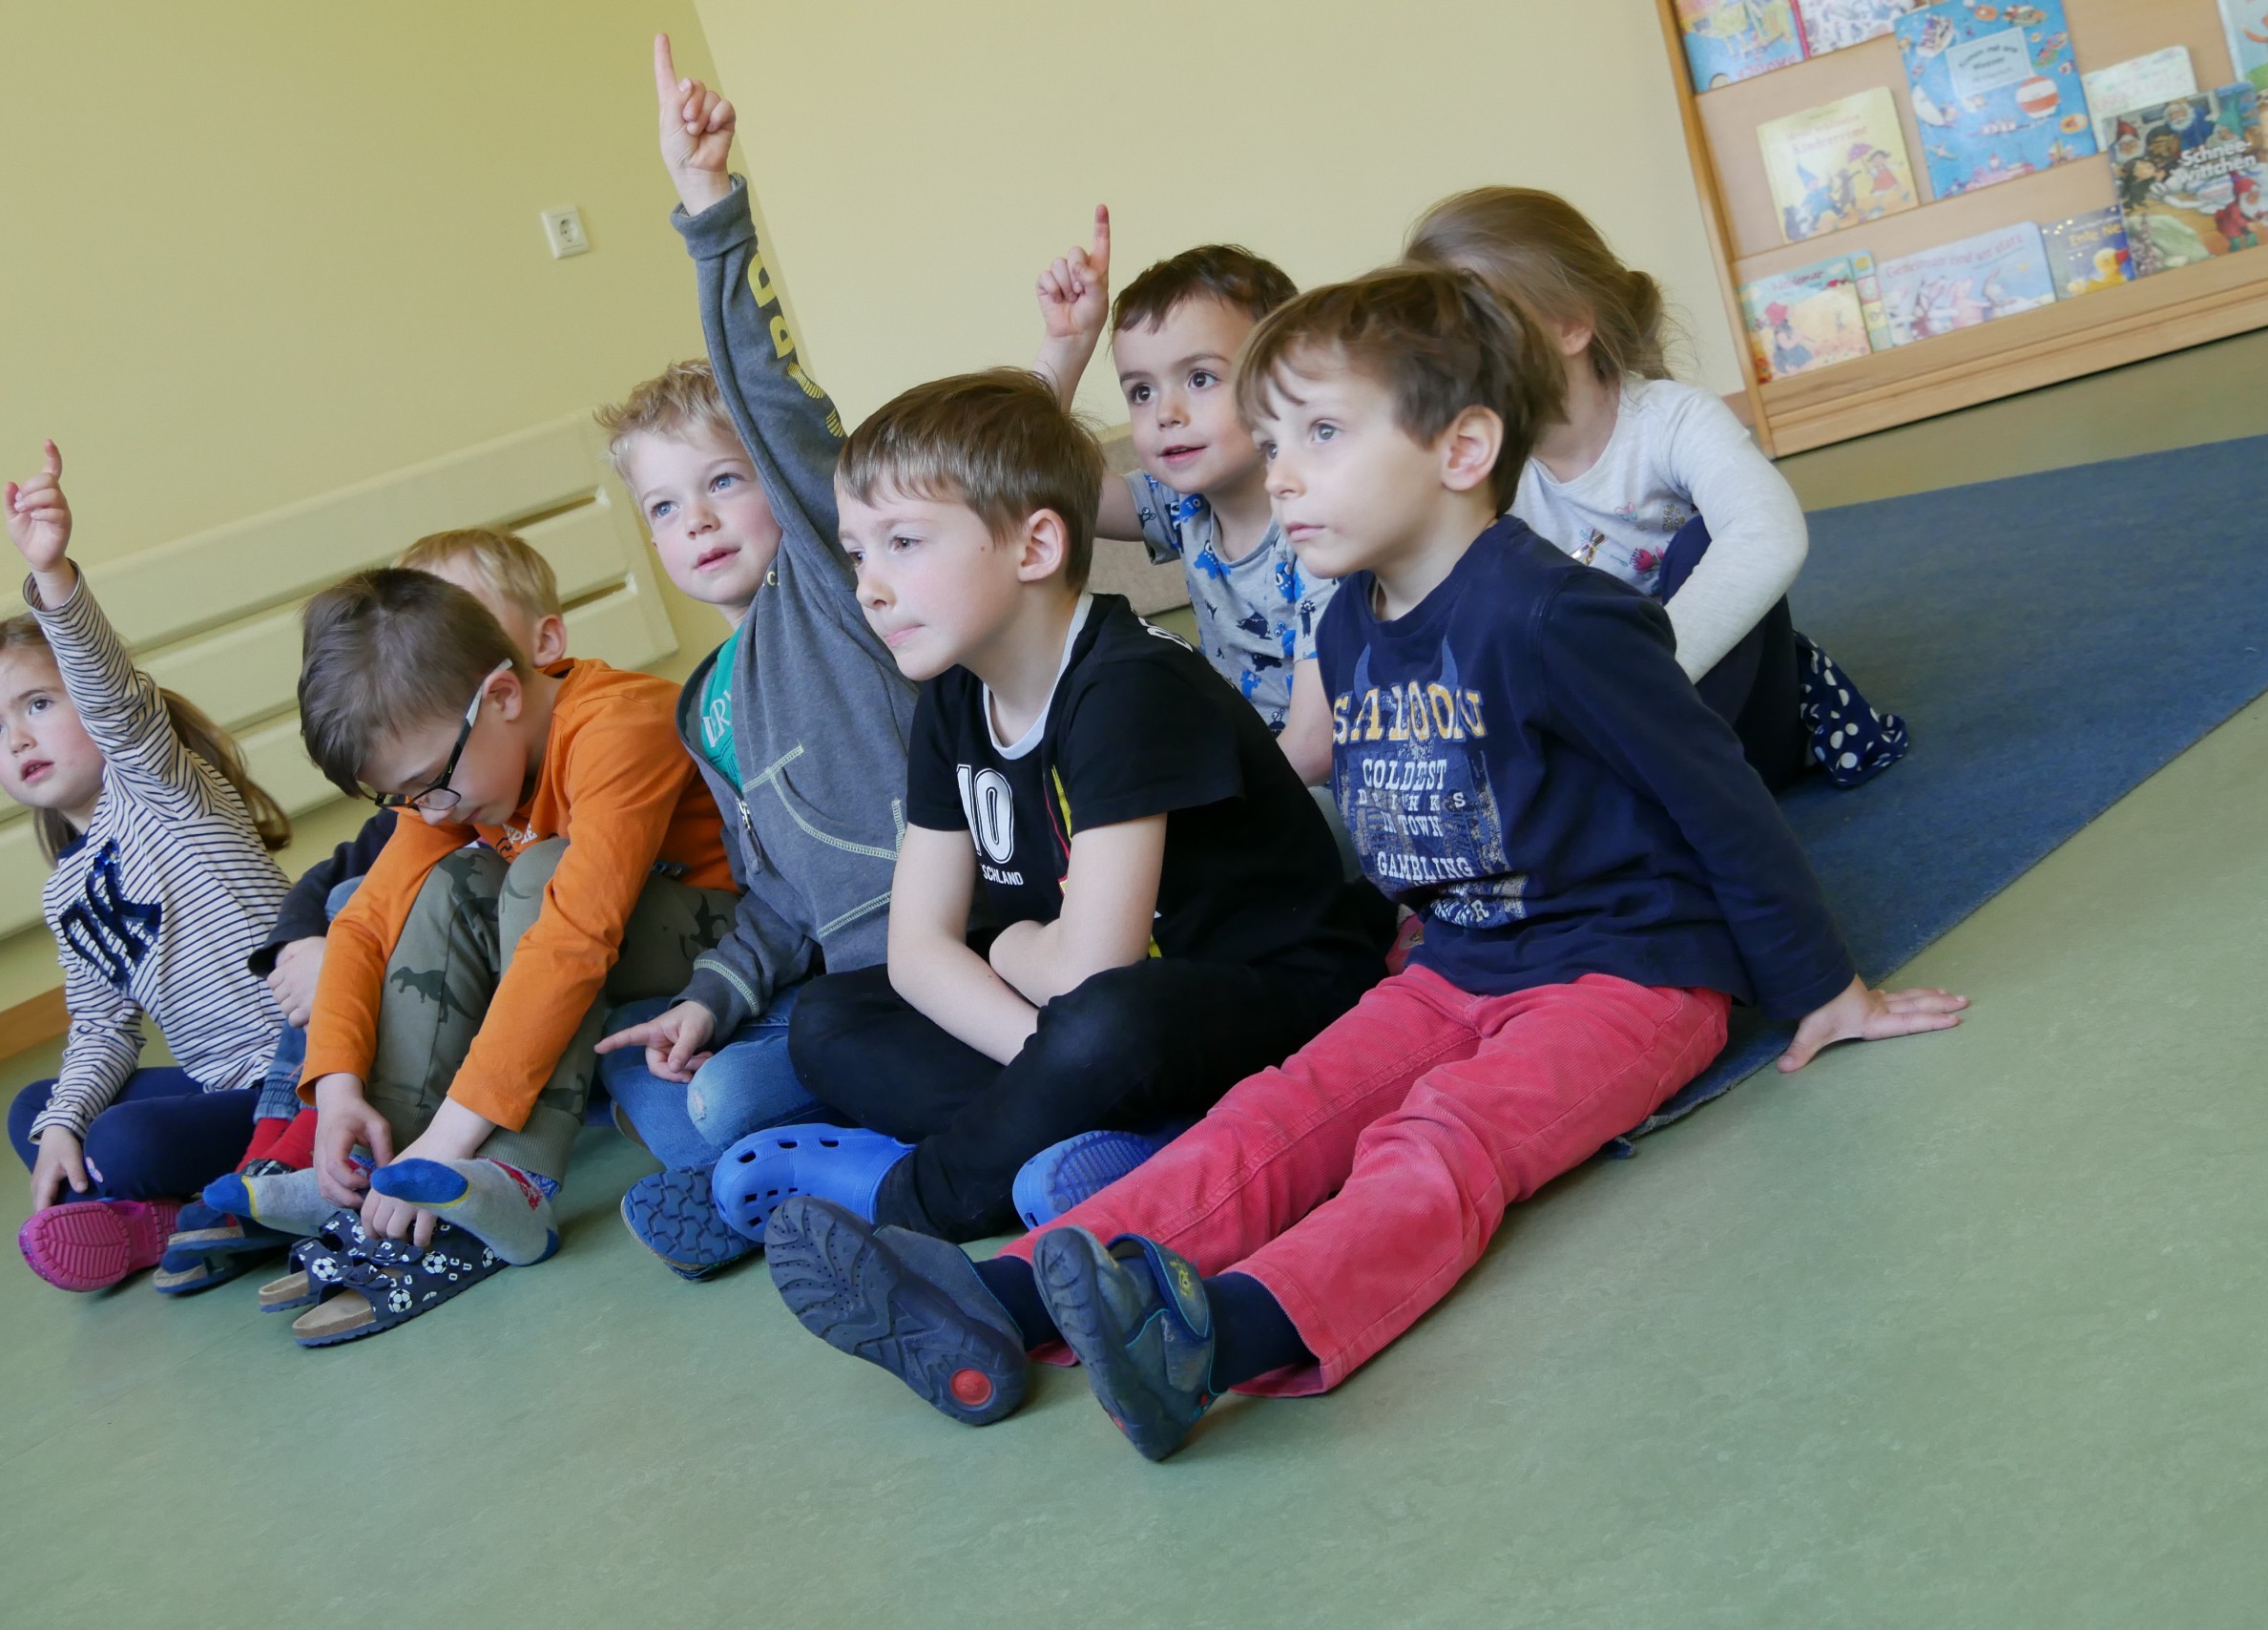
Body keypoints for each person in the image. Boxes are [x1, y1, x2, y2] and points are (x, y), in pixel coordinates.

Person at [760, 265, 1966, 1458]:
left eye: (1322, 434)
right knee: (1272, 1115)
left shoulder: (1561, 616)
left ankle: (1222, 1332)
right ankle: (1006, 1299)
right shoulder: (1347, 623)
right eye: (1274, 436)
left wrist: (1823, 989)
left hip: (1627, 975)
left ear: (1459, 448)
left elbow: (1722, 804)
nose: (1281, 472)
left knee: (1441, 1136)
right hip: (1450, 965)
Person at [711, 366, 1390, 1248]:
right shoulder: (954, 700)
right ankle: (1122, 1140)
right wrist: (1054, 1055)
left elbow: (1090, 977)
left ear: (1034, 548)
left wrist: (1020, 960)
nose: (869, 586)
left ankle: (913, 1197)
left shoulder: (1128, 688)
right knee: (833, 1017)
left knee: (1105, 1028)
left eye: (904, 543)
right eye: (857, 552)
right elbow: (917, 952)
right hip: (1088, 1023)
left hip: (1261, 999)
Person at [582, 36, 921, 1280]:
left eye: (725, 484)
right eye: (667, 509)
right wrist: (710, 1001)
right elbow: (775, 897)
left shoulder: (840, 591)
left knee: (771, 1085)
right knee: (701, 1095)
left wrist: (711, 214)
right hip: (844, 978)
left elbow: (778, 404)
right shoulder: (706, 705)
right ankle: (796, 1172)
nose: (702, 522)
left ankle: (836, 1181)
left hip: (956, 947)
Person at [257, 565, 736, 1344]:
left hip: (721, 944)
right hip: (597, 948)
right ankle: (386, 1174)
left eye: (427, 788)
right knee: (447, 884)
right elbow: (366, 927)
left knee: (540, 873)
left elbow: (575, 942)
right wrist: (341, 1094)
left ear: (504, 696)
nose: (427, 811)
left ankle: (512, 1175)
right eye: (404, 799)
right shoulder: (454, 767)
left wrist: (457, 1135)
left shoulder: (617, 724)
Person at [160, 528, 570, 1293]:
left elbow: (572, 944)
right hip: (471, 1042)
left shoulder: (563, 745)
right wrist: (302, 956)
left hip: (561, 1032)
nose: (420, 662)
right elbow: (340, 896)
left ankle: (379, 1165)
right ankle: (301, 1158)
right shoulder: (434, 795)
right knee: (347, 912)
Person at [1406, 186, 1905, 791]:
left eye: (1479, 324)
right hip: (1605, 740)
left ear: (1568, 325)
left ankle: (1641, 804)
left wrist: (1644, 689)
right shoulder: (1483, 473)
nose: (1451, 357)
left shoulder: (1672, 419)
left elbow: (1767, 535)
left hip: (1730, 730)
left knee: (1699, 544)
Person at [0, 442, 291, 1292]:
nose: (19, 738)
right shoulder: (66, 889)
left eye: (37, 705)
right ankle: (182, 1215)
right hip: (220, 1087)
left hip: (300, 1062)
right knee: (37, 1114)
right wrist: (64, 1123)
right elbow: (103, 1030)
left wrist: (55, 575)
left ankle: (214, 1198)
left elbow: (108, 688)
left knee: (124, 1144)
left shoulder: (160, 787)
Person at [1030, 213, 1337, 785]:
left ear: (1285, 376)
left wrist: (1214, 814)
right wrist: (1067, 345)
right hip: (1261, 780)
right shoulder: (1181, 507)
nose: (1165, 414)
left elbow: (1317, 749)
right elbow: (1036, 476)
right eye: (1141, 391)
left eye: (1199, 378)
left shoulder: (1323, 527)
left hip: (1344, 794)